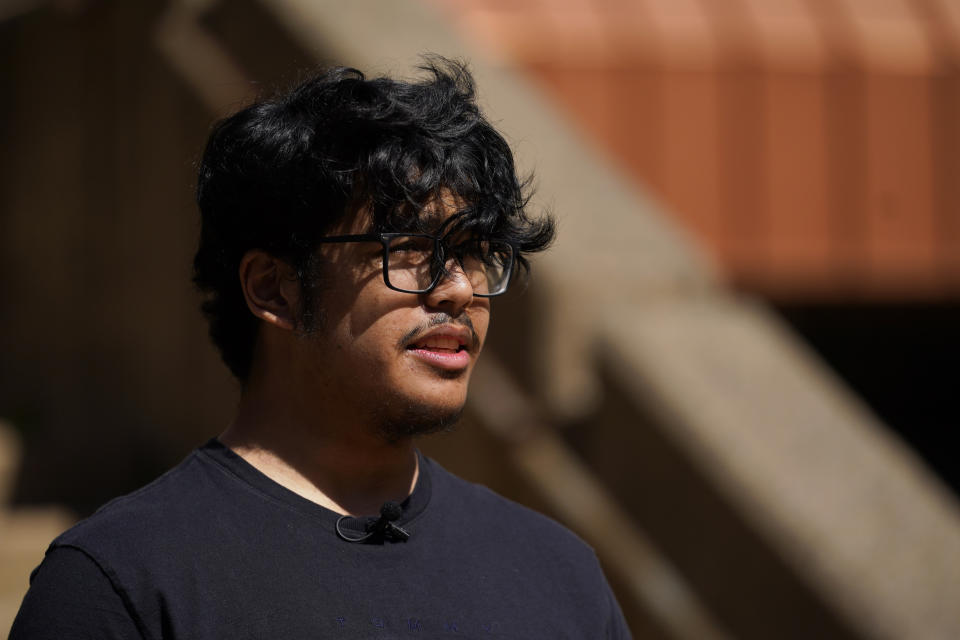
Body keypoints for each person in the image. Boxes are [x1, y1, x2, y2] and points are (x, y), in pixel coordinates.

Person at [10, 58, 631, 639]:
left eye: (473, 251)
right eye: (410, 249)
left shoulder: (558, 574)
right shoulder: (121, 585)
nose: (460, 289)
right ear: (274, 288)